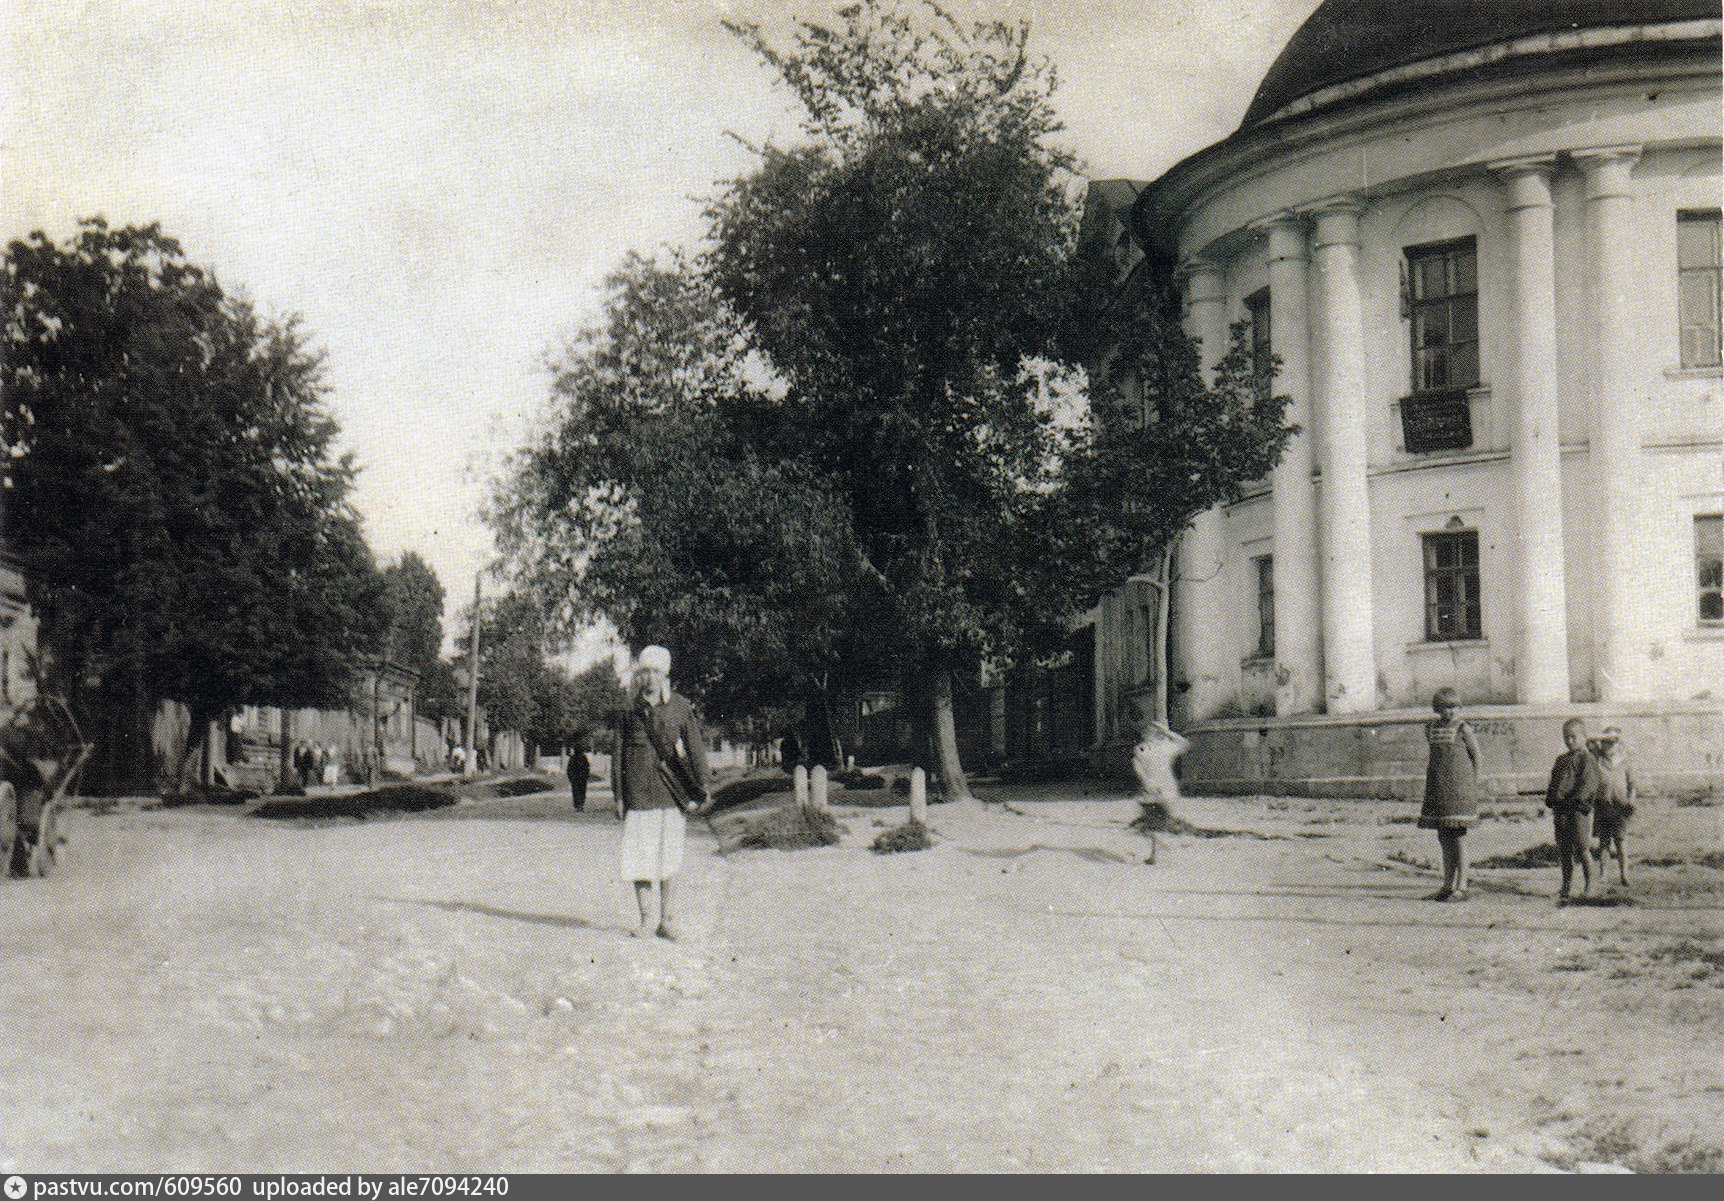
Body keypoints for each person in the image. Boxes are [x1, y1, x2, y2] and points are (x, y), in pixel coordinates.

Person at [613, 645, 711, 941]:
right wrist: (619, 796)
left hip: (671, 793)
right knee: (639, 859)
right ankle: (646, 920)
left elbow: (695, 748)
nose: (651, 677)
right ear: (639, 674)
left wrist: (704, 786)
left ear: (665, 673)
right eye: (646, 671)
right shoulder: (628, 710)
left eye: (657, 671)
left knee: (669, 858)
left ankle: (666, 920)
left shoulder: (680, 707)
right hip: (638, 795)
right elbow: (618, 754)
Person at [1417, 687, 1481, 901]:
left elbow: (1476, 756)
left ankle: (1462, 886)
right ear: (1437, 709)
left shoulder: (1463, 728)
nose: (1450, 712)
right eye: (1445, 707)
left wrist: (1474, 782)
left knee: (1459, 838)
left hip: (1459, 790)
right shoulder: (1430, 728)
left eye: (1454, 707)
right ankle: (1446, 884)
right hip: (1439, 788)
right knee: (1444, 837)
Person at [1544, 717, 1602, 903]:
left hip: (1577, 810)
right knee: (1564, 850)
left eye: (1574, 737)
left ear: (1584, 737)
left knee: (1582, 848)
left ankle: (1590, 886)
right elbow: (1554, 782)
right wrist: (1551, 798)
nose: (1570, 741)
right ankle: (1566, 886)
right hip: (1561, 810)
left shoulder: (1587, 759)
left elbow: (1589, 783)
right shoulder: (1561, 759)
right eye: (1566, 737)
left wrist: (1578, 801)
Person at [1592, 724, 1636, 888]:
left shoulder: (1625, 762)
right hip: (1602, 807)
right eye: (1606, 743)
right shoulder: (1598, 761)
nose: (1609, 746)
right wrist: (1599, 739)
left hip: (1620, 808)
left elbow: (1632, 785)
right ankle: (1603, 875)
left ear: (1618, 744)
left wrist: (1631, 801)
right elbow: (1589, 742)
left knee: (1621, 842)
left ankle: (1624, 875)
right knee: (1603, 844)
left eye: (1613, 743)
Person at [566, 730, 590, 811]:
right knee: (581, 791)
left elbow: (569, 769)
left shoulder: (573, 758)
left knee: (576, 791)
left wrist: (571, 777)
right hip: (580, 777)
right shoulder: (583, 758)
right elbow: (587, 768)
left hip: (577, 778)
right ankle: (580, 805)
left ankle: (578, 805)